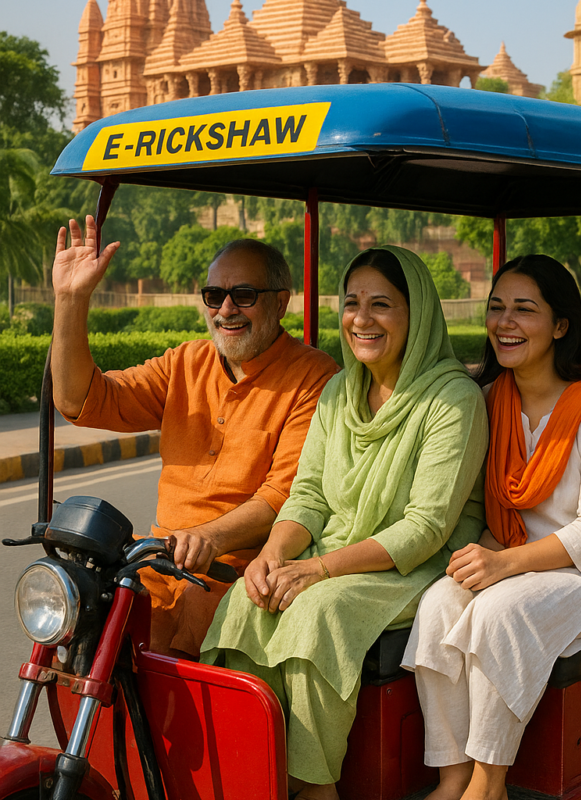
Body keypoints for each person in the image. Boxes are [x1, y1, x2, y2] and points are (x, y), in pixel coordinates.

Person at [200, 245, 489, 800]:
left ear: (417, 313)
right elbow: (307, 494)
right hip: (336, 554)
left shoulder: (453, 399)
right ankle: (253, 772)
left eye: (381, 304)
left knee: (317, 610)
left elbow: (424, 527)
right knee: (247, 598)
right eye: (351, 303)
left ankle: (315, 785)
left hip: (416, 566)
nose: (362, 318)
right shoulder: (339, 390)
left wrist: (320, 571)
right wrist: (273, 555)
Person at [402, 255, 581, 800]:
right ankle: (450, 776)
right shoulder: (492, 399)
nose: (505, 322)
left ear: (561, 325)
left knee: (498, 613)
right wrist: (486, 559)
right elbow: (498, 516)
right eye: (497, 308)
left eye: (525, 309)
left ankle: (487, 783)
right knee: (439, 604)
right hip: (517, 558)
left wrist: (500, 565)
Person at [51, 215, 338, 657]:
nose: (226, 310)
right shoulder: (185, 363)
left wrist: (209, 539)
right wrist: (71, 298)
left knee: (190, 670)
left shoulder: (313, 377)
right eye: (214, 295)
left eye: (243, 296)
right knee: (81, 632)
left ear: (281, 304)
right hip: (157, 563)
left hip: (239, 573)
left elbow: (285, 494)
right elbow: (82, 401)